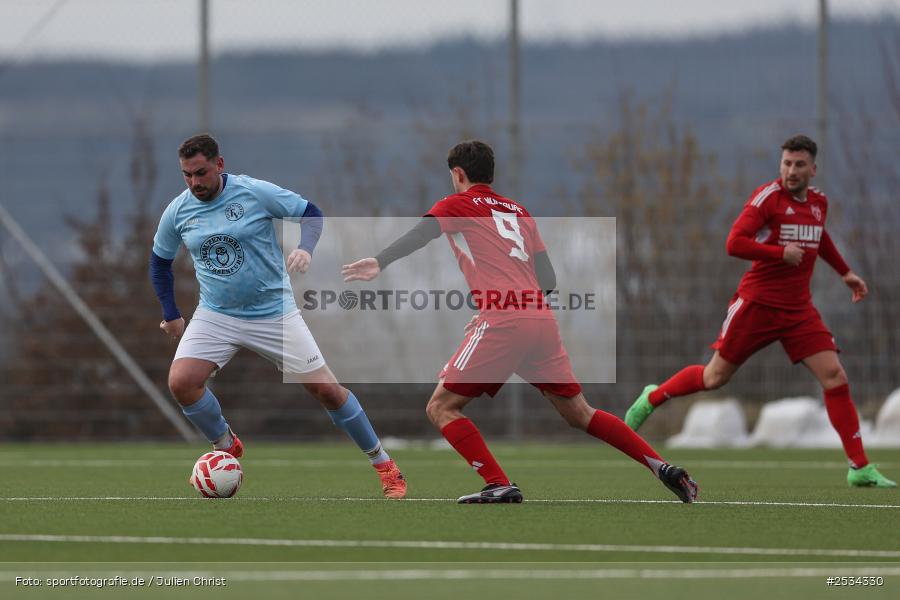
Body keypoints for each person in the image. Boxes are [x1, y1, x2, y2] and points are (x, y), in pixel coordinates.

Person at [342, 140, 698, 504]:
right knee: (580, 412)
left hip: (505, 319)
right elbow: (549, 280)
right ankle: (662, 467)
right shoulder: (518, 211)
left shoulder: (457, 204)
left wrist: (380, 261)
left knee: (441, 407)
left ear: (457, 174)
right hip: (539, 318)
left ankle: (498, 482)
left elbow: (422, 233)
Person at [625, 134, 895, 488]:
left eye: (799, 164)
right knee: (714, 378)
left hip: (798, 309)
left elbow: (818, 237)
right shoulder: (768, 198)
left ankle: (859, 467)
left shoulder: (818, 203)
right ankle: (653, 396)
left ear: (813, 169)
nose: (791, 170)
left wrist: (845, 272)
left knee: (835, 376)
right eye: (786, 163)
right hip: (757, 304)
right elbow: (734, 242)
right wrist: (779, 254)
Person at [150, 133, 406, 499]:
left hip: (274, 314)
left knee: (327, 392)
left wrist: (305, 248)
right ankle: (225, 443)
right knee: (181, 382)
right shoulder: (179, 210)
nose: (195, 183)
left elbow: (311, 214)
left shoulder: (254, 192)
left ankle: (386, 466)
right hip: (216, 314)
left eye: (201, 173)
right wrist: (171, 313)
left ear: (219, 165)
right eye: (187, 175)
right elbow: (159, 262)